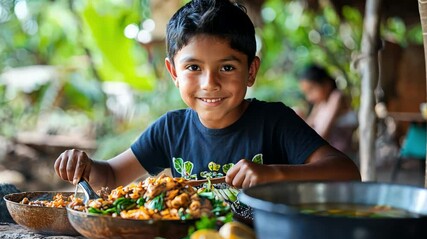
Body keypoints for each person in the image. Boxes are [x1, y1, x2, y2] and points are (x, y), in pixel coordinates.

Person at [54, 0, 360, 191]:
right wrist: (86, 166)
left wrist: (275, 174)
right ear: (174, 73)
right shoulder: (170, 130)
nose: (210, 82)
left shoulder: (274, 121)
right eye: (193, 67)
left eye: (227, 67)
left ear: (251, 71)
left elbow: (346, 173)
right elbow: (110, 177)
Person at [298, 64, 358, 155]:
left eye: (311, 90)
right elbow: (309, 125)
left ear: (326, 84)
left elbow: (323, 134)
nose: (309, 98)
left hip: (341, 156)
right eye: (306, 93)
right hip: (327, 154)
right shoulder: (320, 103)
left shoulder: (336, 97)